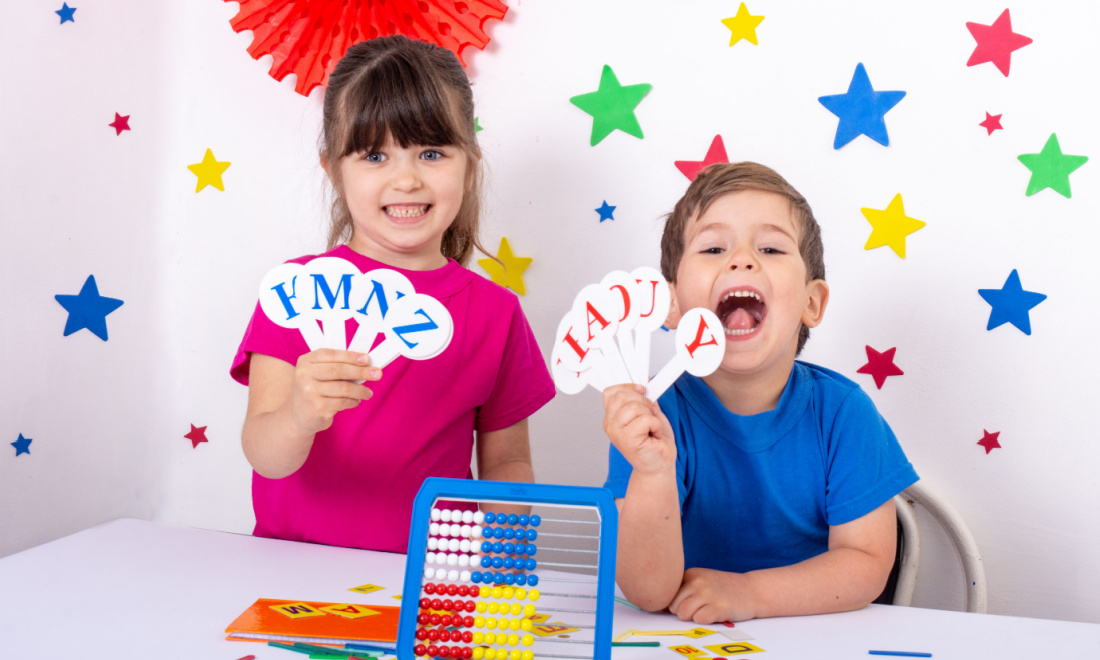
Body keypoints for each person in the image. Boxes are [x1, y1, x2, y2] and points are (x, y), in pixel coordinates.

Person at [230, 36, 555, 553]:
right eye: (375, 155)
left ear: (468, 165)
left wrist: (503, 550)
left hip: (428, 582)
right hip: (289, 572)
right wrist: (298, 414)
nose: (405, 179)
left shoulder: (496, 314)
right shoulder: (297, 295)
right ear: (334, 171)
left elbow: (507, 462)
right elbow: (265, 453)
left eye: (430, 153)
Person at [601, 162, 918, 623]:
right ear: (669, 306)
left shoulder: (846, 414)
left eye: (770, 247)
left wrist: (750, 594)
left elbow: (866, 566)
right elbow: (647, 593)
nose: (742, 259)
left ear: (812, 302)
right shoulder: (648, 421)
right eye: (713, 247)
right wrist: (651, 471)